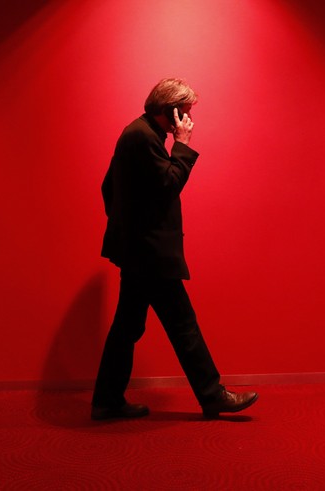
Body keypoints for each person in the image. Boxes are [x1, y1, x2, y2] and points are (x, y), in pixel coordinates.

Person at [91, 78, 258, 420]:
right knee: (183, 325)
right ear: (171, 110)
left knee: (128, 327)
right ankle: (212, 395)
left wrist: (127, 229)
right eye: (186, 112)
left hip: (140, 250)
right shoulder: (143, 137)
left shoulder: (139, 133)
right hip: (149, 253)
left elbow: (109, 186)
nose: (189, 118)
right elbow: (169, 184)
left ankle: (107, 401)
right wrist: (183, 145)